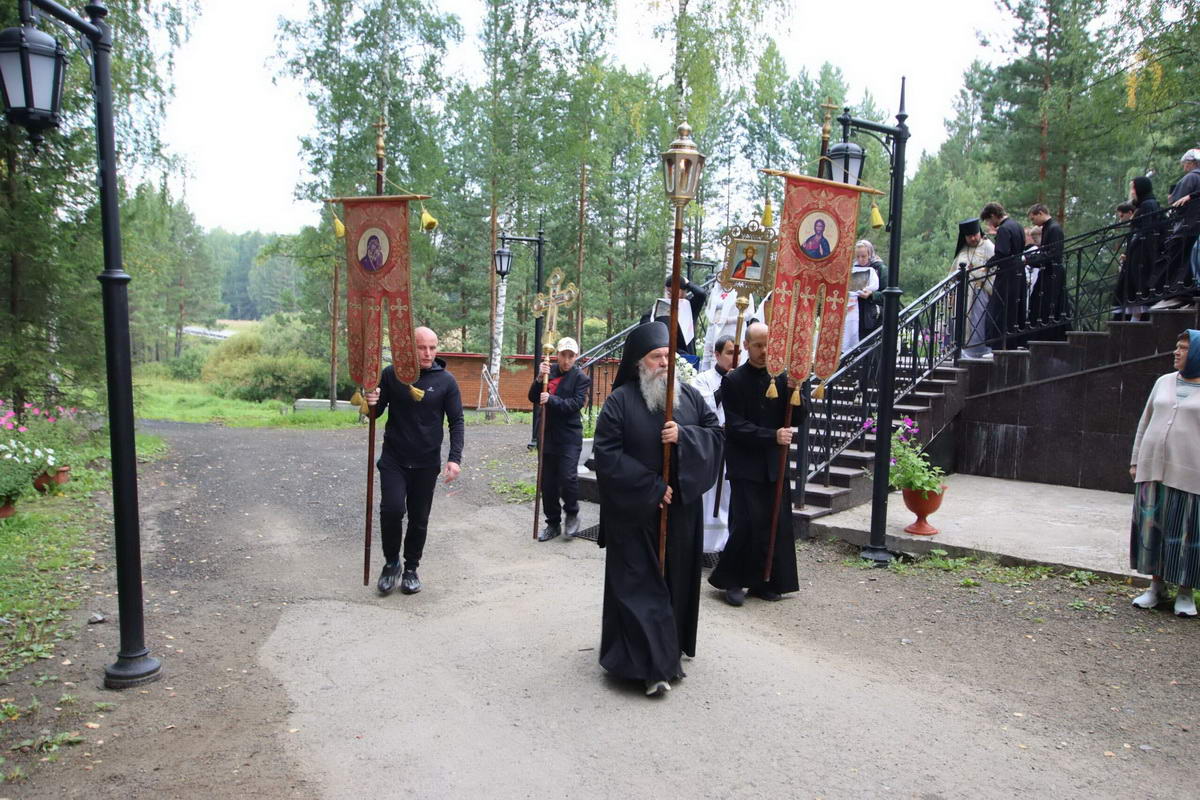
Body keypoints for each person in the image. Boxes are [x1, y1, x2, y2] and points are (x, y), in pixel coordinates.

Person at [592, 321, 723, 697]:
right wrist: (651, 487)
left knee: (675, 583)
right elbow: (606, 454)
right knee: (640, 590)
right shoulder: (620, 402)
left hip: (680, 515)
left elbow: (716, 436)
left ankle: (668, 650)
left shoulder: (690, 397)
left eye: (668, 355)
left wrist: (685, 437)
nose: (665, 362)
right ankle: (649, 666)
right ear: (639, 362)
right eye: (656, 356)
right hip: (635, 517)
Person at [708, 322, 802, 606]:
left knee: (775, 521)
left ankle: (766, 580)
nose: (764, 351)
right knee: (748, 522)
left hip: (774, 463)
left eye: (769, 345)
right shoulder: (733, 380)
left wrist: (797, 392)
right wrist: (772, 436)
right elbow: (735, 426)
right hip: (745, 464)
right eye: (759, 345)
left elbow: (798, 418)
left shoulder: (783, 378)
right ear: (746, 346)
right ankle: (732, 580)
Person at [366, 327, 464, 596]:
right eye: (422, 347)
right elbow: (375, 413)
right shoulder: (392, 374)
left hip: (426, 462)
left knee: (419, 518)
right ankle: (391, 564)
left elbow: (456, 421)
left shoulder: (446, 381)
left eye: (432, 347)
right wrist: (371, 401)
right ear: (410, 348)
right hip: (394, 459)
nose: (428, 353)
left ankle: (411, 568)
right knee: (392, 510)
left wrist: (454, 459)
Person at [1128, 329, 1200, 618]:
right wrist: (1136, 460)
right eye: (1177, 346)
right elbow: (1145, 421)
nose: (1176, 352)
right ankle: (1156, 587)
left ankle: (1185, 592)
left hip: (1191, 475)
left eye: (1184, 348)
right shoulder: (1163, 382)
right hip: (1152, 469)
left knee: (1185, 534)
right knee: (1153, 529)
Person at [528, 336, 591, 542]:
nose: (566, 360)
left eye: (571, 356)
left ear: (575, 357)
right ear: (557, 355)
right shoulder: (549, 372)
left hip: (569, 436)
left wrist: (551, 399)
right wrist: (539, 379)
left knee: (567, 477)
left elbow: (575, 404)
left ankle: (571, 513)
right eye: (563, 355)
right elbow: (533, 397)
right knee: (547, 482)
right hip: (546, 434)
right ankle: (553, 523)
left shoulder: (581, 378)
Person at [690, 335, 736, 554]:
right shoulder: (703, 379)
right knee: (709, 495)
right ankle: (704, 543)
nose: (734, 357)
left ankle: (727, 543)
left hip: (734, 445)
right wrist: (726, 387)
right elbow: (702, 407)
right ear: (717, 355)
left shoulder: (742, 379)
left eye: (737, 353)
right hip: (710, 445)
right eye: (729, 353)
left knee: (728, 495)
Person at [1150, 150, 1200, 310]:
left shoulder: (1191, 177)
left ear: (1191, 163)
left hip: (1187, 226)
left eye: (1185, 164)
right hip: (1194, 227)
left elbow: (1177, 203)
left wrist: (1173, 199)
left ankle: (1176, 294)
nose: (1184, 167)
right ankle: (1187, 295)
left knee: (1176, 261)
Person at [980, 202, 1028, 347]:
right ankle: (1015, 341)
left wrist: (988, 264)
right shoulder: (1017, 226)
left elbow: (1002, 253)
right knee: (1015, 307)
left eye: (989, 220)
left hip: (1007, 274)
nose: (990, 224)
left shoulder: (1004, 229)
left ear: (993, 215)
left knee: (1000, 307)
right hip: (1019, 271)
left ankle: (1001, 343)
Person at [1115, 178, 1161, 320]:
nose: (1131, 192)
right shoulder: (1146, 204)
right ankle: (1134, 322)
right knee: (1135, 293)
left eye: (1133, 188)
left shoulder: (1148, 205)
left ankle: (1136, 324)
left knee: (1138, 292)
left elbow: (1145, 231)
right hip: (1138, 254)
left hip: (1142, 256)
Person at [952, 218, 996, 359]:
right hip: (964, 293)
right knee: (962, 322)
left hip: (981, 291)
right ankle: (962, 351)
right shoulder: (963, 249)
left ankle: (979, 351)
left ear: (979, 232)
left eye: (975, 235)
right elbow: (954, 270)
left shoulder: (988, 246)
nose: (973, 238)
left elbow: (995, 268)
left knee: (978, 322)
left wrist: (977, 274)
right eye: (969, 236)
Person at [641, 276, 709, 357]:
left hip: (686, 349)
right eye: (668, 292)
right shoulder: (662, 306)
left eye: (674, 291)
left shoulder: (690, 305)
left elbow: (701, 294)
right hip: (667, 348)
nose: (671, 294)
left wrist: (687, 283)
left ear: (684, 291)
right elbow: (646, 321)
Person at [1025, 203, 1066, 335]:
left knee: (1048, 304)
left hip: (1053, 273)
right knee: (1038, 303)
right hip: (1048, 272)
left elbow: (1053, 253)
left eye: (1033, 218)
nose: (1033, 222)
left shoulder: (1054, 229)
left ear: (1040, 213)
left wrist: (1031, 260)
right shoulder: (1048, 228)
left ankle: (1049, 334)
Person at [841, 240, 882, 353]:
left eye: (863, 256)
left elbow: (886, 294)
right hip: (852, 313)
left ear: (870, 254)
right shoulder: (852, 269)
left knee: (866, 350)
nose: (860, 259)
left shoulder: (879, 268)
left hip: (869, 316)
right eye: (858, 256)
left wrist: (871, 294)